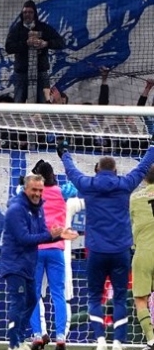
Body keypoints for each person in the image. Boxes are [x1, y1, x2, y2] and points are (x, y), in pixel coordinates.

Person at [60, 140, 154, 350]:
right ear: (115, 169)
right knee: (120, 297)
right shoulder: (125, 184)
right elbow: (143, 167)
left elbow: (71, 171)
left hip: (96, 251)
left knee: (94, 297)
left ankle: (101, 341)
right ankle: (119, 343)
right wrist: (153, 146)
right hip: (121, 251)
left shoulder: (88, 185)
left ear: (98, 169)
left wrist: (64, 153)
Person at [0, 174, 77, 350]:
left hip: (29, 262)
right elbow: (23, 238)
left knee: (32, 300)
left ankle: (22, 338)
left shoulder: (38, 208)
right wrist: (51, 235)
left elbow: (42, 234)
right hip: (15, 264)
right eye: (34, 190)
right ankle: (14, 343)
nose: (37, 194)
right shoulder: (16, 209)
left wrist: (59, 236)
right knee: (19, 302)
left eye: (40, 190)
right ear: (25, 189)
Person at [29, 161, 69, 350]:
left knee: (33, 294)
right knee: (58, 294)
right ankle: (60, 336)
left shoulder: (32, 193)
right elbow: (78, 183)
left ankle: (37, 335)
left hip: (36, 248)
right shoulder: (63, 191)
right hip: (56, 249)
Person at [4, 0, 65, 103]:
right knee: (18, 103)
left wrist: (46, 43)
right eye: (25, 12)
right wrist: (25, 44)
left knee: (44, 103)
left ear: (35, 14)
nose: (27, 15)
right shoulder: (16, 29)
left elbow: (61, 42)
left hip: (41, 72)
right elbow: (8, 47)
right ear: (22, 14)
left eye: (30, 12)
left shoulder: (44, 28)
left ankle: (41, 119)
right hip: (22, 72)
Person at [129, 165, 154, 350]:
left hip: (144, 252)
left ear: (145, 179)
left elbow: (130, 227)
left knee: (141, 298)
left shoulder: (134, 198)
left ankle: (152, 340)